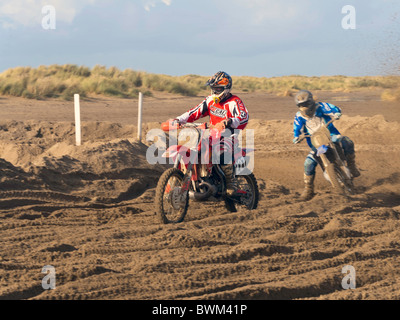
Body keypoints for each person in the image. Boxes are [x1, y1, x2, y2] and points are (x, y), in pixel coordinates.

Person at [167, 71, 249, 197]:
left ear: (226, 89)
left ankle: (231, 183)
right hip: (210, 136)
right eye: (213, 88)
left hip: (228, 136)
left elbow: (244, 117)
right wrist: (178, 120)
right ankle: (197, 177)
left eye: (218, 88)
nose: (215, 91)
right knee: (195, 148)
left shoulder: (234, 101)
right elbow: (194, 112)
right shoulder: (210, 100)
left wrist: (230, 121)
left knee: (222, 152)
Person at [292, 90, 360, 201]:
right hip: (316, 144)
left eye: (305, 104)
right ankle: (308, 189)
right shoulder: (299, 116)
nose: (304, 107)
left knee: (347, 141)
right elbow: (297, 128)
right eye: (301, 105)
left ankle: (352, 166)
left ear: (311, 102)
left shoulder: (321, 106)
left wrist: (337, 113)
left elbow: (334, 109)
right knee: (308, 163)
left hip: (331, 136)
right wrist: (296, 137)